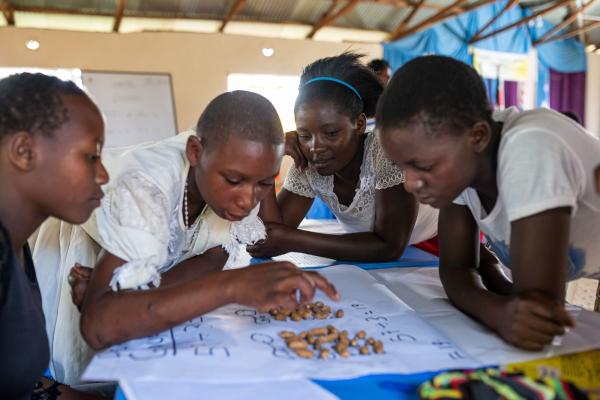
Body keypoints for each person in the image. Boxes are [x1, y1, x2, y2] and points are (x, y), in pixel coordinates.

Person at [32, 91, 339, 387]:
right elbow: (97, 328)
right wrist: (232, 287)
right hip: (86, 249)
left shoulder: (234, 179)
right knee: (101, 368)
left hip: (146, 264)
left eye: (263, 183)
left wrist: (134, 298)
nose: (248, 200)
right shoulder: (147, 189)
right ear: (195, 152)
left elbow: (210, 259)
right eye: (234, 181)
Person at [376, 55, 600, 350]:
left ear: (478, 136)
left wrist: (500, 307)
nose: (409, 183)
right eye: (402, 167)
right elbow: (456, 268)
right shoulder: (460, 161)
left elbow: (539, 307)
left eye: (424, 166)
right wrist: (496, 311)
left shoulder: (531, 147)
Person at [247, 53, 438, 262]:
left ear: (360, 124)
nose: (315, 147)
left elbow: (389, 247)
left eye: (331, 133)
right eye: (304, 135)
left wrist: (291, 239)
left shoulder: (386, 152)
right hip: (380, 251)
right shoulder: (308, 162)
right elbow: (262, 240)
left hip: (437, 242)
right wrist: (266, 162)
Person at [0, 73, 109, 399]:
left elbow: (23, 384)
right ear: (24, 151)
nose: (103, 175)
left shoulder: (16, 248)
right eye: (91, 156)